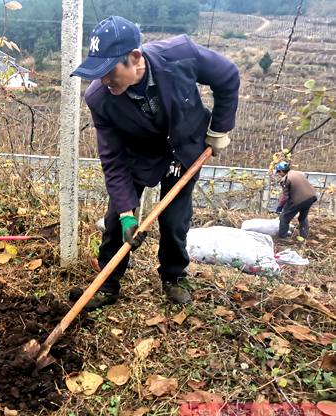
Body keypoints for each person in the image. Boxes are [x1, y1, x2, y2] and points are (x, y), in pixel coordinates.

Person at [71, 16, 240, 308]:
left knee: (175, 219)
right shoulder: (100, 98)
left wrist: (219, 130)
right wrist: (127, 214)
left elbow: (227, 76)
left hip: (186, 148)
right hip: (139, 154)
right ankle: (107, 284)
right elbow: (112, 159)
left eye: (110, 71)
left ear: (135, 59)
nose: (104, 80)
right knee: (114, 222)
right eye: (99, 73)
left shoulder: (180, 55)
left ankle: (174, 277)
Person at [274, 161, 317, 238]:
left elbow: (285, 197)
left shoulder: (286, 179)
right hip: (311, 197)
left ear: (281, 171)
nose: (279, 174)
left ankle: (282, 237)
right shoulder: (298, 173)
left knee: (284, 218)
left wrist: (280, 207)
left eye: (278, 172)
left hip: (299, 200)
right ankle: (304, 236)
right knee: (303, 217)